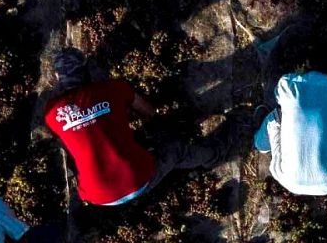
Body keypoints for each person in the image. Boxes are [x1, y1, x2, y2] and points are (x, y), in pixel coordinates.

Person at [42, 48, 216, 206]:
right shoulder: (112, 88)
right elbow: (149, 112)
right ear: (86, 71)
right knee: (176, 152)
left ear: (58, 78)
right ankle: (217, 153)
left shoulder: (51, 115)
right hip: (137, 178)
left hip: (97, 197)